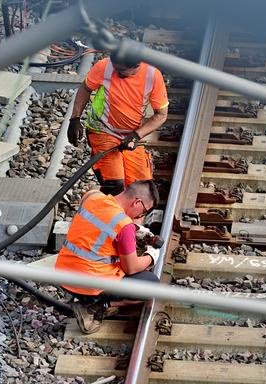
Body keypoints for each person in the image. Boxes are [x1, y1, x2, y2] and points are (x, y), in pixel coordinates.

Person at [55, 180, 161, 334]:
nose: (140, 215)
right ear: (137, 202)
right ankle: (95, 306)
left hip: (62, 274)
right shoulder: (124, 225)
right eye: (144, 211)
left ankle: (88, 300)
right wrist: (151, 256)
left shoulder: (91, 196)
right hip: (88, 286)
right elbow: (131, 268)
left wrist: (134, 230)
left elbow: (97, 226)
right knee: (151, 284)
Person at [68, 51, 169, 196]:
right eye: (115, 67)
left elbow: (161, 115)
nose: (116, 72)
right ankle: (108, 214)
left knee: (141, 189)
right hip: (102, 129)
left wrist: (136, 135)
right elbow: (85, 88)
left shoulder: (152, 76)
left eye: (121, 70)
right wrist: (75, 119)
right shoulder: (105, 66)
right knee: (115, 185)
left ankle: (127, 216)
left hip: (131, 134)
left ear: (137, 65)